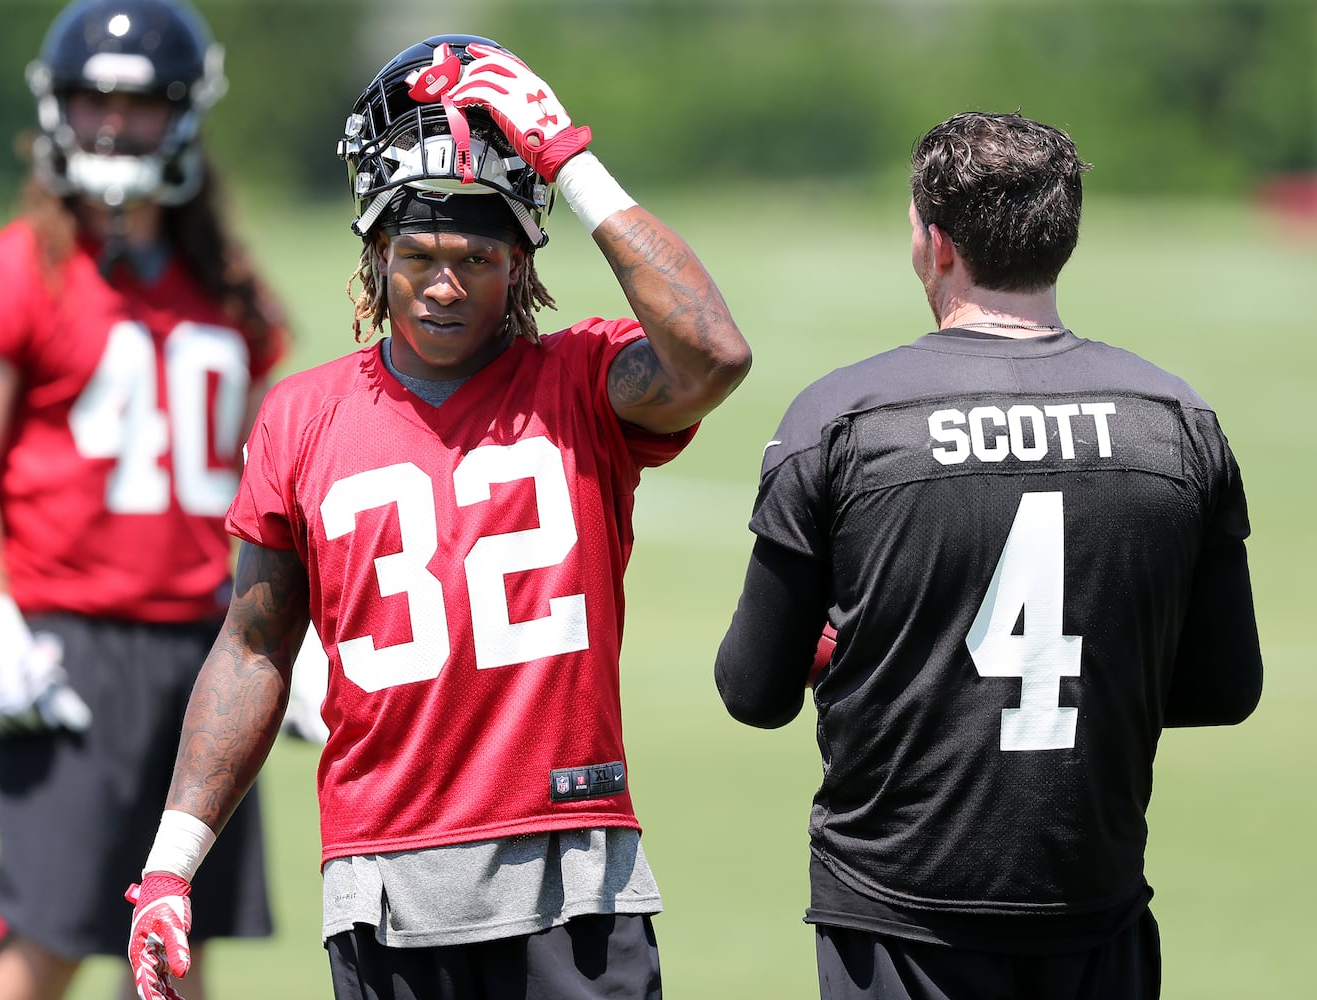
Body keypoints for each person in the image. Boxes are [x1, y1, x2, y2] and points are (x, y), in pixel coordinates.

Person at [124, 33, 751, 1000]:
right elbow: (252, 649)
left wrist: (569, 162)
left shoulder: (584, 379)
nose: (446, 284)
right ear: (375, 254)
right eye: (416, 253)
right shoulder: (303, 415)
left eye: (477, 256)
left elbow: (712, 354)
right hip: (386, 878)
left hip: (573, 872)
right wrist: (170, 866)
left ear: (523, 261)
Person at [714, 110, 1262, 1000]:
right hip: (1096, 903)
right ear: (1064, 240)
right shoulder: (1176, 423)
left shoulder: (842, 420)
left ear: (936, 245)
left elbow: (753, 691)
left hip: (897, 910)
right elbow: (1225, 689)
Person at [0, 1, 287, 997]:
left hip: (209, 646)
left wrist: (305, 630)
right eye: (94, 99)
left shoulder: (231, 288)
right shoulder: (9, 277)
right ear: (55, 107)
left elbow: (273, 476)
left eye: (139, 102)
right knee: (40, 944)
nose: (115, 125)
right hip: (69, 645)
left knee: (175, 945)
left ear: (184, 111)